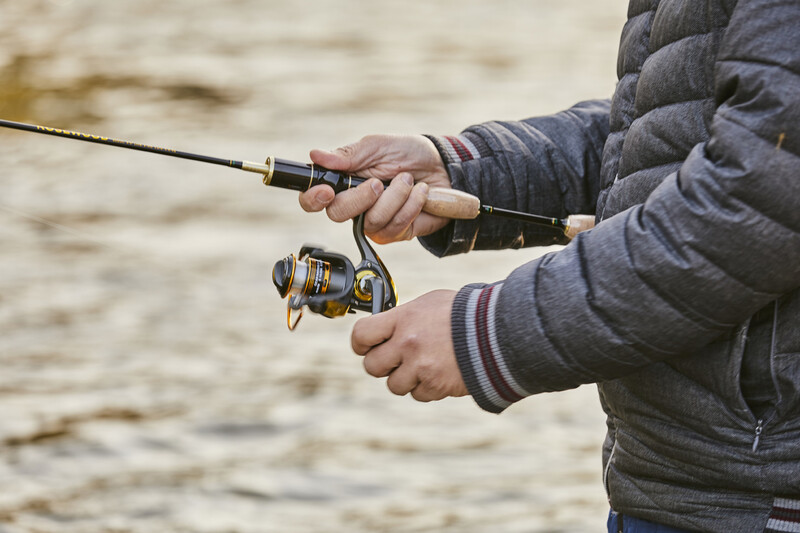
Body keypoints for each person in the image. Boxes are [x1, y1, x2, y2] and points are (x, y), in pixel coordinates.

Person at [298, 1, 799, 531]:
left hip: (755, 500)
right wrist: (458, 171)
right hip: (679, 482)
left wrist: (489, 332)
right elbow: (665, 134)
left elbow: (761, 195)